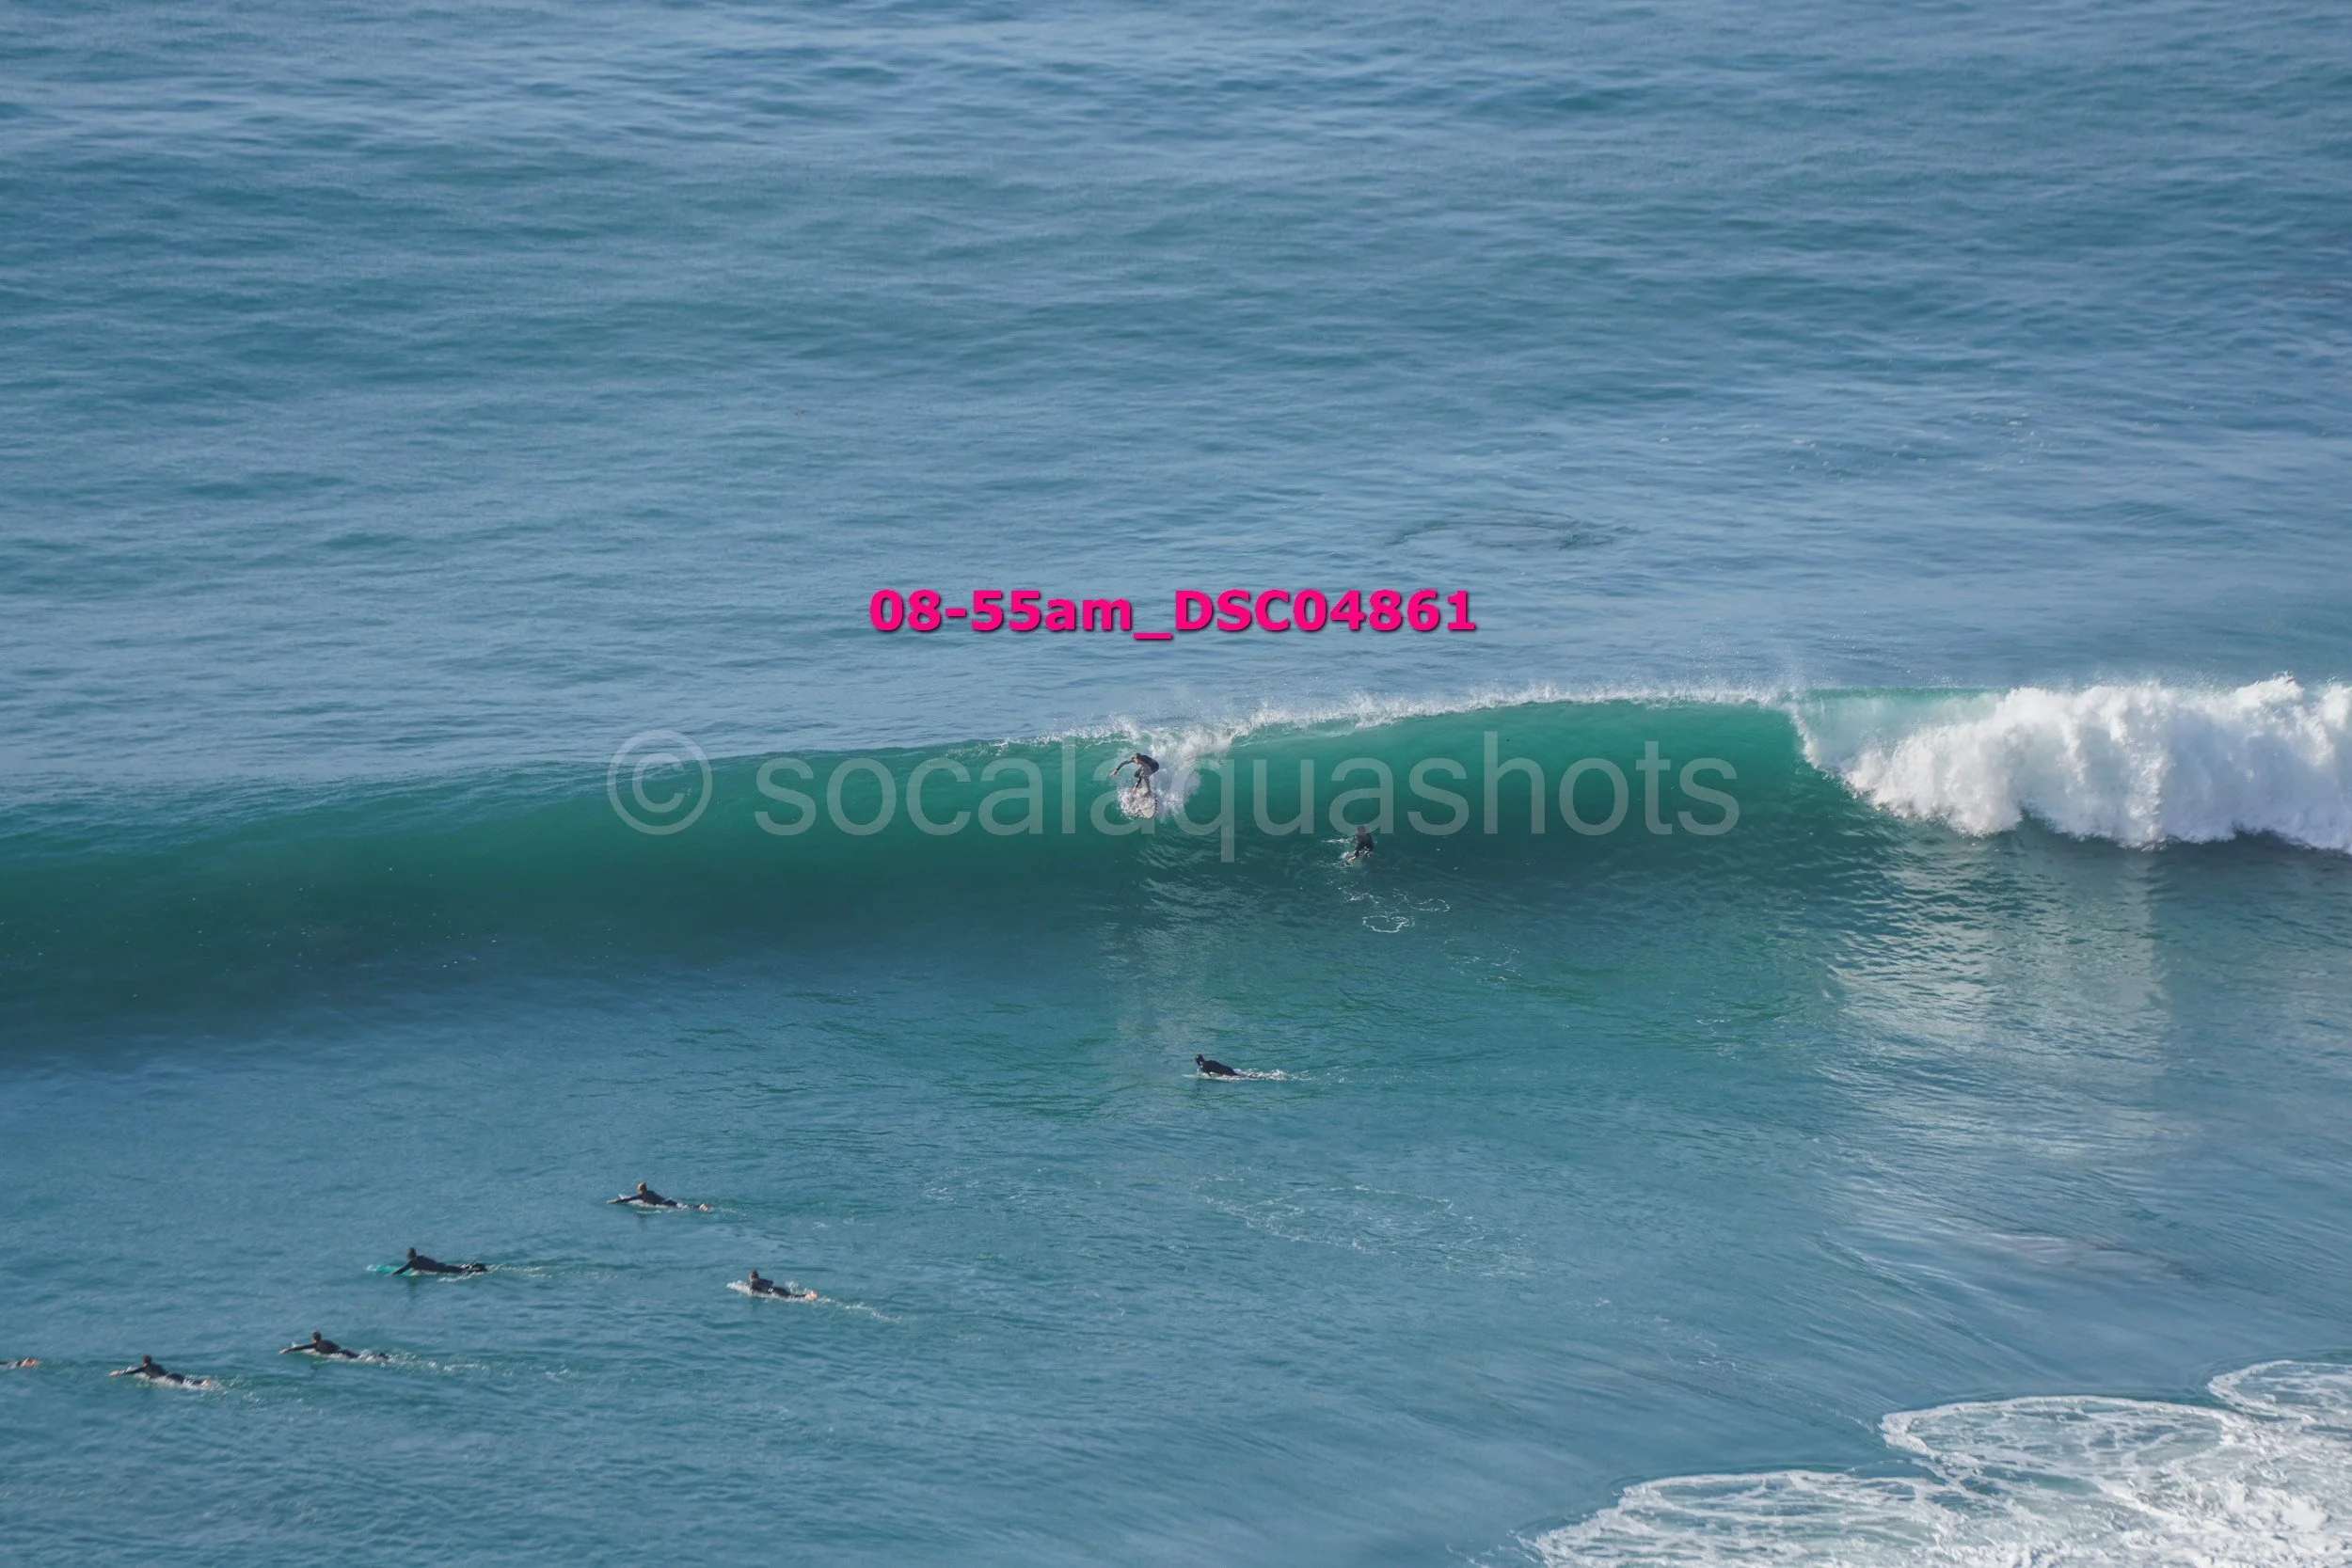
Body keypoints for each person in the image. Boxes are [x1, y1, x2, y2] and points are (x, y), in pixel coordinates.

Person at [393, 1247, 487, 1276]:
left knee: (461, 1272)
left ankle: (475, 1268)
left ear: (409, 1256)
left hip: (441, 1271)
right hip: (442, 1266)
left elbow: (402, 1270)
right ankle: (472, 1266)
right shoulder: (421, 1257)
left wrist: (391, 1274)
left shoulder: (412, 1262)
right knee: (460, 1269)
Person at [112, 1354, 198, 1386]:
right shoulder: (157, 1365)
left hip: (165, 1379)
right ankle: (202, 1382)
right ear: (151, 1361)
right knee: (188, 1381)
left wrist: (118, 1373)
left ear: (143, 1362)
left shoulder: (144, 1368)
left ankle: (200, 1385)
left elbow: (131, 1372)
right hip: (173, 1374)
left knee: (186, 1385)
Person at [744, 1268, 813, 1301]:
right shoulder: (763, 1280)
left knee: (791, 1297)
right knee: (791, 1295)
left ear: (751, 1277)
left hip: (774, 1292)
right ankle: (807, 1295)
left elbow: (751, 1292)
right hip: (777, 1288)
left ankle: (807, 1296)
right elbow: (771, 1282)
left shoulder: (753, 1282)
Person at [282, 1332, 358, 1360]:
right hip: (344, 1351)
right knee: (361, 1357)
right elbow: (338, 1347)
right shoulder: (328, 1341)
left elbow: (302, 1347)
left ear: (314, 1339)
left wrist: (288, 1350)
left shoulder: (314, 1345)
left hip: (338, 1355)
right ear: (320, 1337)